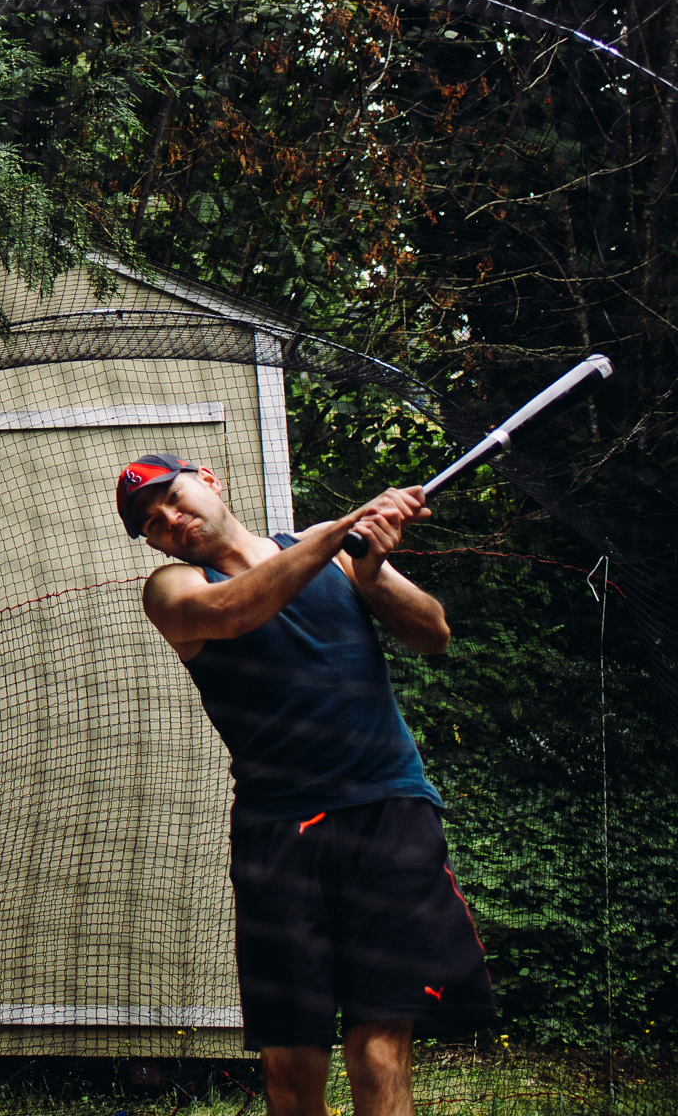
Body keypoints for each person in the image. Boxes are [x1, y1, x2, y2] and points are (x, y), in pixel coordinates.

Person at [115, 454, 495, 1116]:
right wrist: (344, 527)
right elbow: (237, 610)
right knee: (292, 1077)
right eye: (152, 523)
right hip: (279, 836)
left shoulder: (340, 556)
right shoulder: (171, 589)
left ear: (208, 480)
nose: (170, 522)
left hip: (389, 815)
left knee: (380, 1053)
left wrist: (372, 569)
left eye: (172, 499)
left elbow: (433, 633)